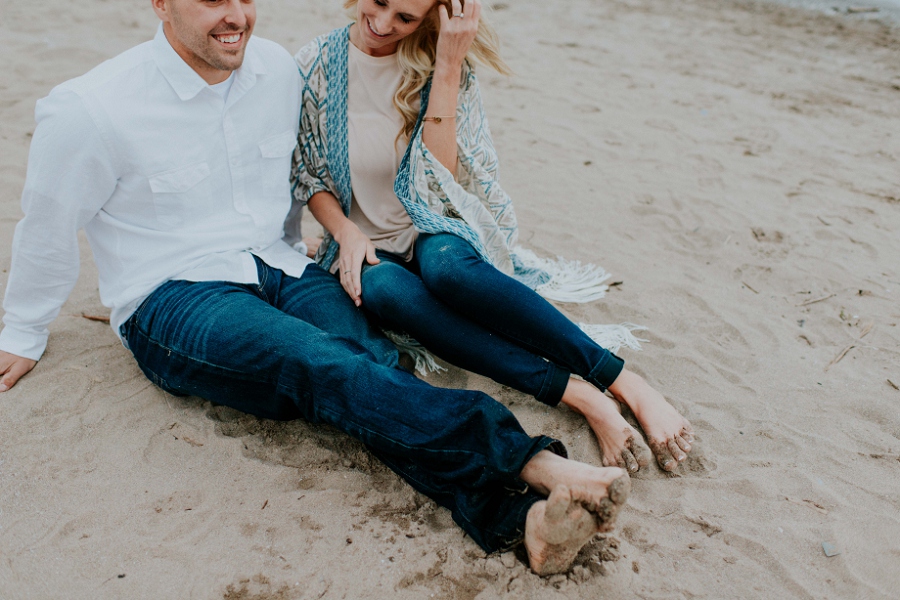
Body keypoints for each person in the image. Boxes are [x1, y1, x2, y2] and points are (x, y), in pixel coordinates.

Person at [0, 0, 633, 576]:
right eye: (213, 1)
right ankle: (539, 465)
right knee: (320, 364)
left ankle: (518, 523)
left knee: (377, 365)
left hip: (280, 265)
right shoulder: (92, 106)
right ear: (161, 3)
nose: (235, 17)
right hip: (176, 296)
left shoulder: (275, 70)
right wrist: (23, 330)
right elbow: (48, 223)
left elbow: (303, 174)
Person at [290, 0, 694, 473]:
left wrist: (447, 62)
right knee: (383, 291)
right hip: (366, 244)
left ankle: (624, 381)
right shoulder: (315, 63)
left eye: (405, 18)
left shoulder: (440, 63)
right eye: (379, 4)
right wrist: (345, 231)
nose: (383, 25)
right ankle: (581, 395)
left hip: (432, 227)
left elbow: (446, 176)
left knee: (448, 270)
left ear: (430, 19)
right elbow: (309, 175)